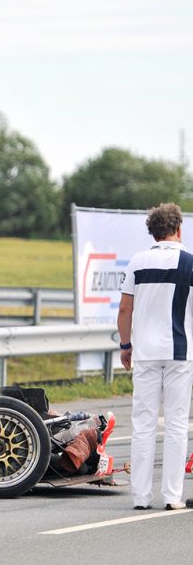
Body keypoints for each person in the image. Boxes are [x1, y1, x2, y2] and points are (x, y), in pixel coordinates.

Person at [118, 202, 193, 511]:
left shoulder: (137, 261)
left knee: (144, 423)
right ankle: (172, 496)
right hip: (180, 352)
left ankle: (141, 497)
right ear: (178, 229)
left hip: (145, 353)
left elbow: (125, 309)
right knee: (176, 424)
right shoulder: (189, 262)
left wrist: (126, 346)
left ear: (153, 231)